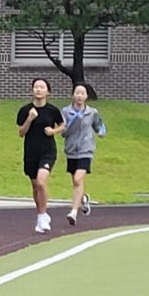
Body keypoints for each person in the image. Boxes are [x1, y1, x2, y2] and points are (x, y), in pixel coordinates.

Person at [17, 78, 64, 233]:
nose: (38, 90)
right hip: (31, 151)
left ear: (47, 91)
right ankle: (41, 214)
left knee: (42, 182)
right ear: (32, 90)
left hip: (47, 151)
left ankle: (43, 216)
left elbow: (63, 125)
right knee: (35, 186)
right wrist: (30, 119)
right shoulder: (25, 110)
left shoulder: (52, 110)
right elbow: (21, 133)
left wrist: (53, 131)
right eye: (36, 87)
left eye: (42, 87)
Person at [61, 82, 106, 225]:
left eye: (82, 93)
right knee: (75, 182)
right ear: (73, 95)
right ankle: (83, 199)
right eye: (77, 93)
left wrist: (101, 132)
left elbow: (99, 125)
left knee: (78, 179)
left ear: (86, 96)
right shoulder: (66, 112)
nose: (79, 96)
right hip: (71, 149)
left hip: (86, 149)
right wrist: (73, 122)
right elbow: (63, 132)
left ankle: (73, 212)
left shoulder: (92, 112)